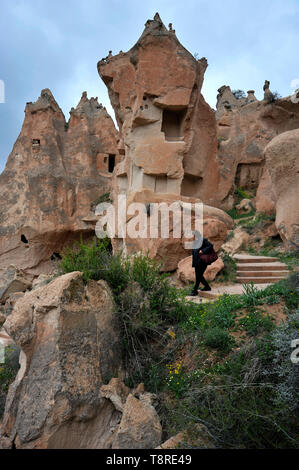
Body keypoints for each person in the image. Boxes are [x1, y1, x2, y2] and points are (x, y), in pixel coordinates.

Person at [190, 230, 213, 296]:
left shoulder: (203, 240)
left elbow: (210, 246)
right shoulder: (196, 241)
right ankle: (207, 287)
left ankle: (195, 291)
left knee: (198, 276)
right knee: (199, 276)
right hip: (197, 262)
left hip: (202, 262)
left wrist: (202, 251)